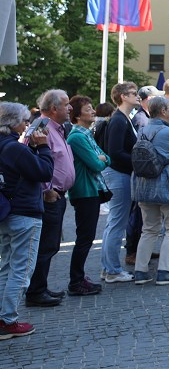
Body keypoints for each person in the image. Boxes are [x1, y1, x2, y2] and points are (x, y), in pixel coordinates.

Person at [0, 103, 54, 338]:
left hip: (7, 211)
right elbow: (44, 172)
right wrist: (42, 147)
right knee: (21, 270)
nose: (26, 126)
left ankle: (3, 316)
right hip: (24, 212)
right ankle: (7, 320)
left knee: (6, 267)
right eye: (23, 121)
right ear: (12, 123)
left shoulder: (8, 145)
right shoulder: (14, 148)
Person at [130, 97, 169, 285]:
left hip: (144, 186)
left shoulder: (142, 130)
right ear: (163, 111)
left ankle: (140, 272)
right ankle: (164, 271)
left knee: (148, 229)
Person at [22, 90, 73, 308]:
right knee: (45, 245)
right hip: (49, 197)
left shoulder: (56, 128)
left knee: (50, 245)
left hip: (58, 196)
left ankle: (39, 287)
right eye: (66, 104)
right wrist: (46, 190)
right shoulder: (41, 128)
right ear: (53, 108)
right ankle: (35, 291)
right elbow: (29, 160)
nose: (70, 108)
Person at [64, 95, 109, 296]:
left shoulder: (86, 134)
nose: (93, 111)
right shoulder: (77, 137)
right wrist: (101, 158)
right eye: (89, 108)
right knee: (85, 238)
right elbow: (98, 163)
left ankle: (79, 278)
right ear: (77, 115)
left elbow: (106, 157)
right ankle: (76, 281)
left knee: (87, 237)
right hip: (84, 191)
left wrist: (102, 158)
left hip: (91, 190)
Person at [100, 82, 140, 283]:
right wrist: (138, 163)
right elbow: (114, 152)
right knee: (117, 223)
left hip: (120, 174)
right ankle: (113, 270)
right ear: (123, 97)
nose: (137, 96)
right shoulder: (118, 120)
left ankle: (109, 268)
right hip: (118, 174)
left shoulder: (123, 119)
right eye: (133, 93)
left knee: (115, 223)